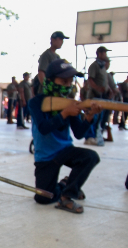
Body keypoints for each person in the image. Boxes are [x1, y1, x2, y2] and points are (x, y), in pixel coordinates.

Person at [28, 60, 101, 214]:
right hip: (45, 157)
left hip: (65, 150)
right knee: (43, 198)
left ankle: (67, 196)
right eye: (63, 81)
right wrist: (65, 113)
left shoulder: (69, 103)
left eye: (69, 82)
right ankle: (65, 185)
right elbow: (43, 128)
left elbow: (79, 133)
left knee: (91, 157)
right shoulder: (36, 103)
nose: (67, 86)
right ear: (50, 81)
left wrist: (90, 117)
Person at [84, 47, 110, 146]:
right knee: (92, 116)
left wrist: (108, 90)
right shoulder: (94, 66)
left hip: (102, 96)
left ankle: (95, 136)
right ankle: (89, 137)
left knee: (99, 117)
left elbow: (103, 80)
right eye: (104, 53)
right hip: (94, 96)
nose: (105, 55)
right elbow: (90, 80)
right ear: (99, 53)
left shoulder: (102, 67)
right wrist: (98, 88)